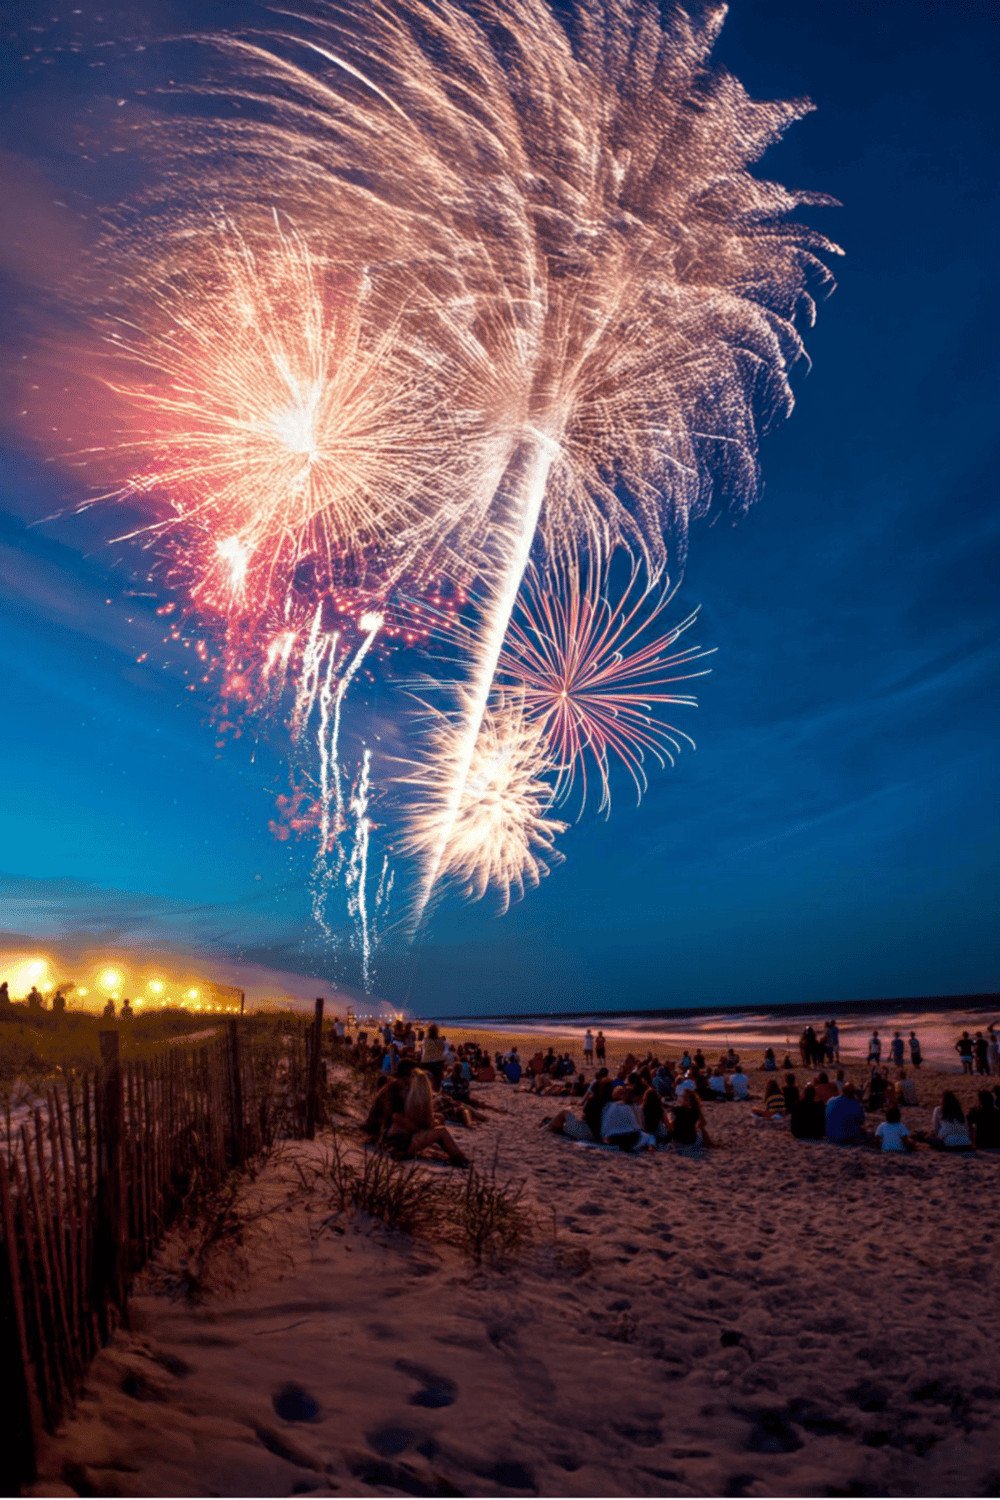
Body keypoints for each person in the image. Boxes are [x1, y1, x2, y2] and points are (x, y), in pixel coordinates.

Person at [385, 1070, 468, 1165]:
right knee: (442, 1132)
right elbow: (428, 1125)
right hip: (403, 1145)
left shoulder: (408, 1099)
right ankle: (460, 1158)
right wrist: (436, 1122)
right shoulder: (422, 1104)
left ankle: (454, 1154)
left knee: (438, 1125)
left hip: (393, 1142)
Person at [420, 1023, 446, 1087]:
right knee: (437, 1081)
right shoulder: (440, 1040)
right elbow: (443, 1049)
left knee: (427, 1080)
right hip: (438, 1061)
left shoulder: (426, 1040)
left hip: (426, 1062)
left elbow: (423, 1048)